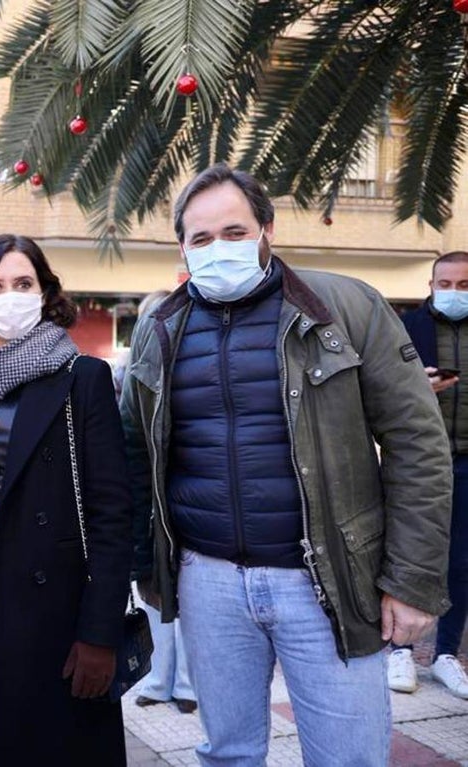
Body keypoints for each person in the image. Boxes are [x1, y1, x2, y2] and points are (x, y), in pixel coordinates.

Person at [121, 164, 452, 766]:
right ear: (181, 247)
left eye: (234, 231)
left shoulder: (346, 307)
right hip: (209, 582)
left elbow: (417, 445)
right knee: (228, 755)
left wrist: (411, 582)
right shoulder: (159, 327)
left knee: (348, 759)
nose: (217, 248)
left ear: (266, 229)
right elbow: (134, 456)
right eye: (200, 238)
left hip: (327, 583)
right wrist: (149, 570)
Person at [0, 234, 133, 765]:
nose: (10, 297)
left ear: (45, 293)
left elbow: (113, 513)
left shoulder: (82, 379)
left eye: (23, 283)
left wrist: (100, 631)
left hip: (55, 614)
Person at [390, 251, 468, 698]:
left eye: (463, 284)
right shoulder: (406, 327)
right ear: (431, 283)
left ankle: (445, 655)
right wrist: (417, 384)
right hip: (418, 460)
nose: (453, 292)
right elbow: (376, 387)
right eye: (446, 283)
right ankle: (400, 649)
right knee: (410, 553)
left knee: (460, 561)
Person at [118, 290, 198, 715]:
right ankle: (157, 676)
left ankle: (187, 683)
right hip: (147, 507)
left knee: (185, 602)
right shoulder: (125, 378)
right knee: (151, 598)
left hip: (186, 507)